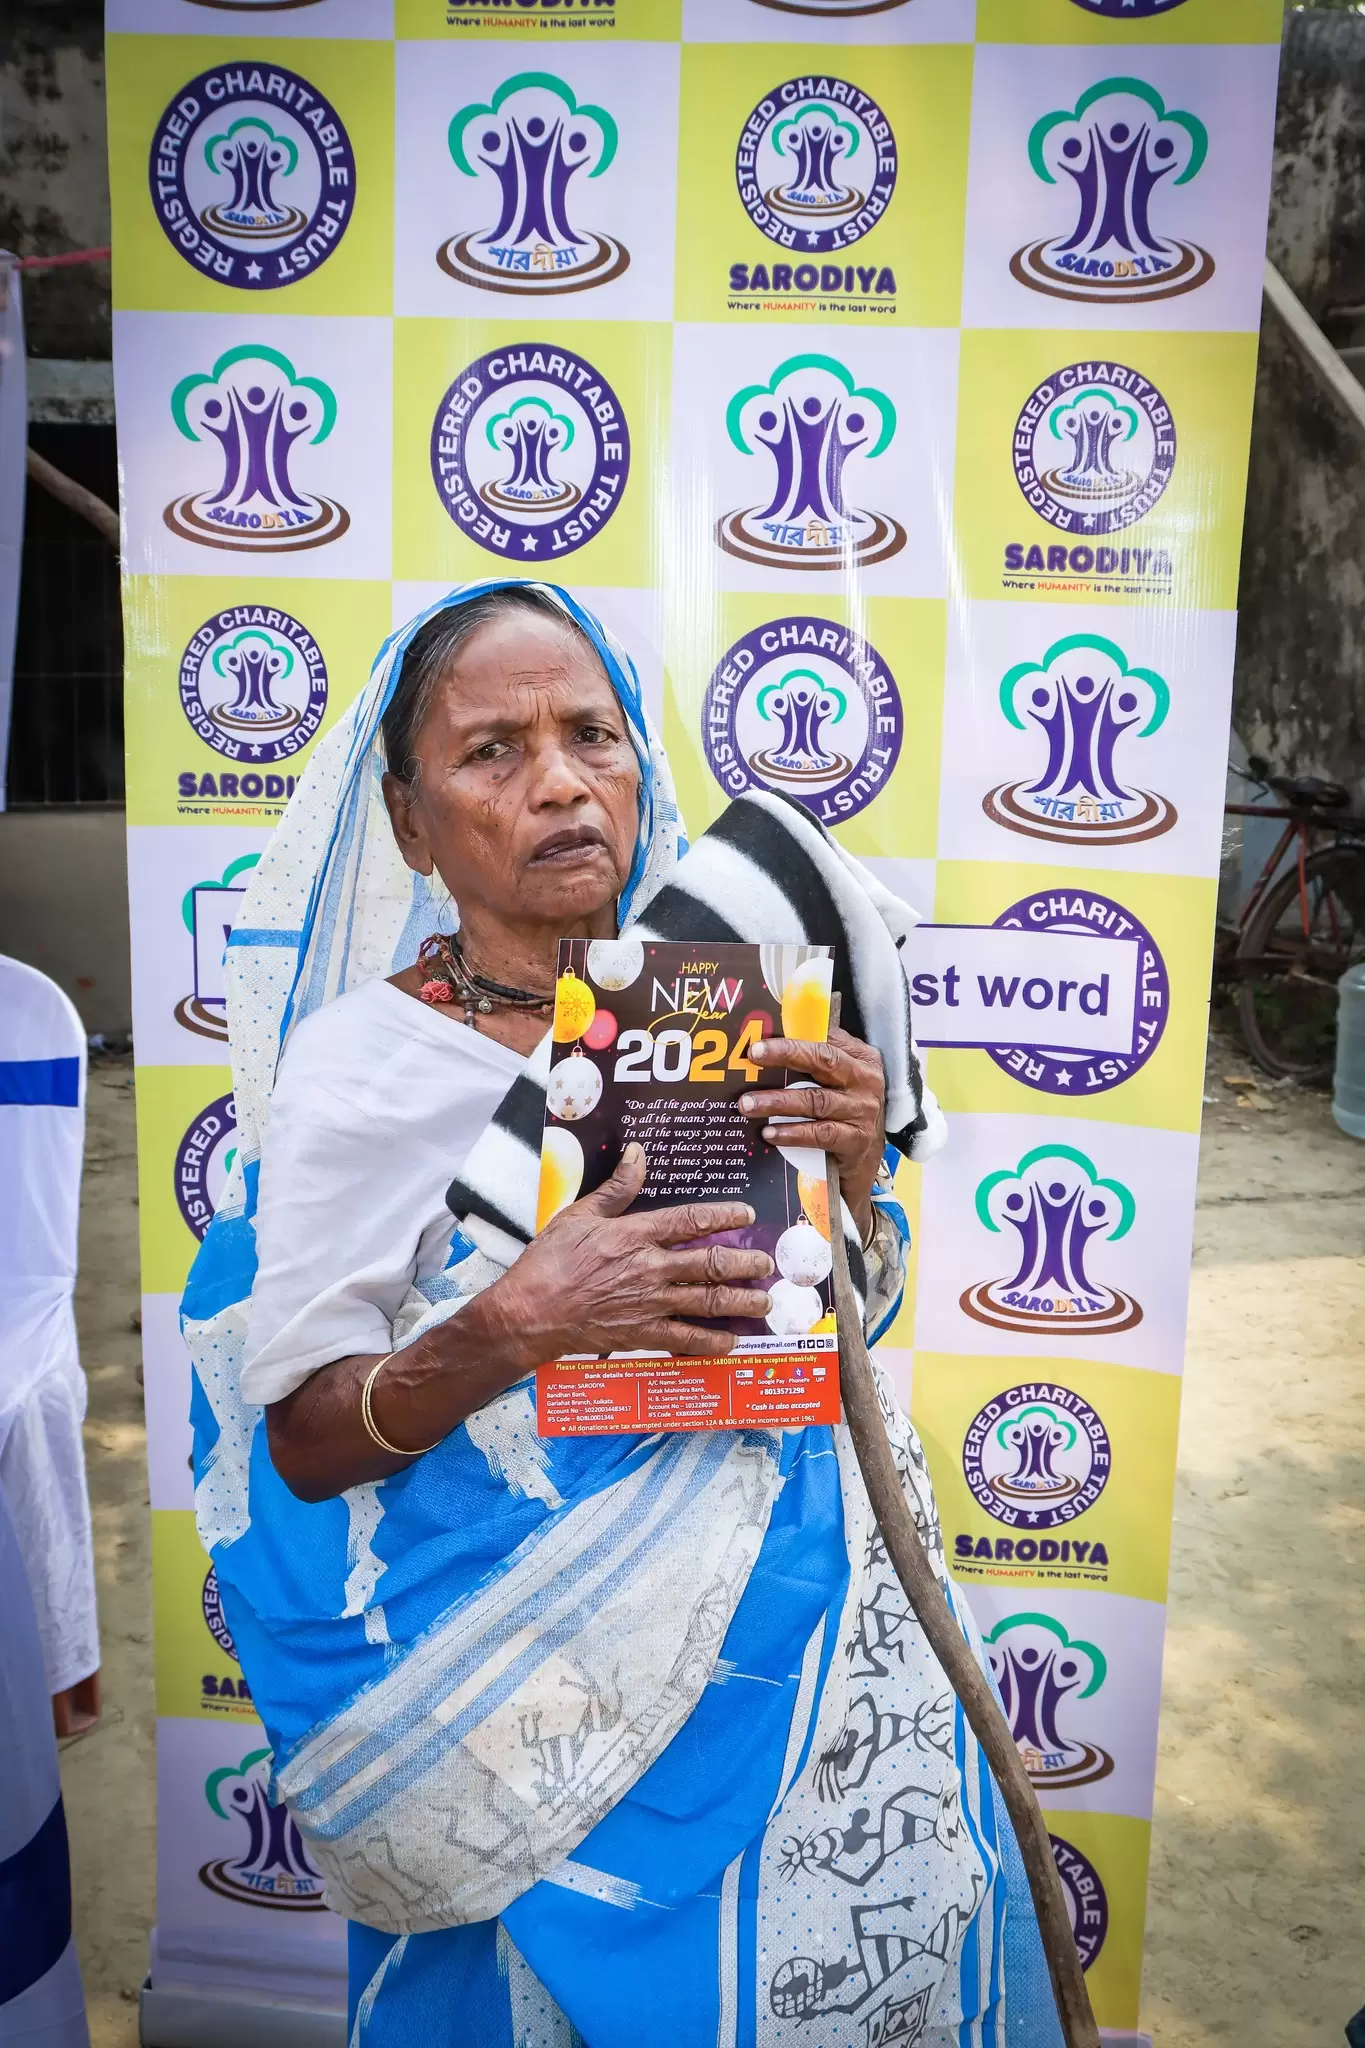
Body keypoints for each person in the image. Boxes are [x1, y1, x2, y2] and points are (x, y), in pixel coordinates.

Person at [183, 580, 1062, 2048]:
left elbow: (829, 1325)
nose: (559, 782)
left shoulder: (726, 1015)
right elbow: (307, 1445)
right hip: (528, 1712)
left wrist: (851, 1169)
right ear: (408, 821)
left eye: (592, 735)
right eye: (493, 750)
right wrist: (511, 1324)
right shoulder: (362, 1067)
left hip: (800, 1675)